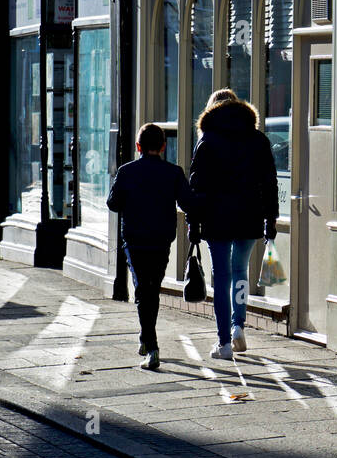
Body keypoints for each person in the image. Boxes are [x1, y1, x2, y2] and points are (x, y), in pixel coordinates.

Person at [187, 89, 278, 360]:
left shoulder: (207, 141)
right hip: (249, 215)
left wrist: (194, 222)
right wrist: (270, 219)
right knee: (240, 271)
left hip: (217, 218)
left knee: (222, 275)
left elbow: (197, 186)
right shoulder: (258, 140)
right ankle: (239, 325)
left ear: (211, 111)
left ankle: (224, 342)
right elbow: (269, 183)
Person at [106, 123, 198, 371]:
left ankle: (152, 346)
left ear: (138, 147)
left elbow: (113, 204)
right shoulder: (174, 173)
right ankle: (147, 340)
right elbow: (189, 203)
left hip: (135, 241)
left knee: (142, 292)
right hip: (161, 241)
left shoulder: (126, 172)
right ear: (163, 147)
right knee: (152, 290)